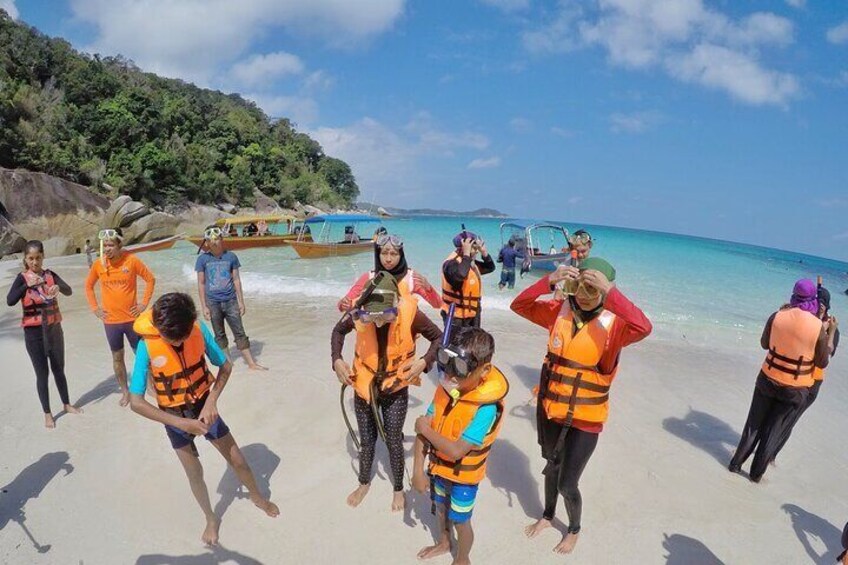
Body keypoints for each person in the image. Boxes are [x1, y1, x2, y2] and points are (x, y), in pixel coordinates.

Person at [511, 258, 651, 554]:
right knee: (551, 469)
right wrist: (550, 280)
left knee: (567, 483)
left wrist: (611, 292)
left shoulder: (617, 327)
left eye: (593, 288)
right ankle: (548, 516)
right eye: (581, 286)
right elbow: (519, 305)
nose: (585, 295)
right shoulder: (556, 312)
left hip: (586, 419)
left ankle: (573, 529)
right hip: (551, 410)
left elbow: (645, 326)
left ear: (604, 291)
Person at [129, 293, 279, 545]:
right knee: (195, 473)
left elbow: (226, 366)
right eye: (168, 337)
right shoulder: (146, 346)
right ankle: (210, 517)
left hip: (203, 405)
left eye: (180, 338)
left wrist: (211, 401)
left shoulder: (198, 330)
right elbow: (136, 402)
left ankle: (257, 497)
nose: (174, 342)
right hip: (174, 416)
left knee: (238, 460)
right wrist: (180, 423)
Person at [331, 272, 442, 511]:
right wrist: (337, 360)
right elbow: (338, 332)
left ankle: (398, 489)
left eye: (386, 315)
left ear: (395, 305)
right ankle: (363, 483)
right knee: (367, 440)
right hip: (365, 384)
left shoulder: (412, 315)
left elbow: (438, 337)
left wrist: (424, 361)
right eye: (374, 316)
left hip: (395, 387)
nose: (379, 321)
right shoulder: (359, 312)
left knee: (393, 439)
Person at [412, 327, 508, 565]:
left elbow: (455, 450)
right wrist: (417, 471)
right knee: (441, 510)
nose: (451, 376)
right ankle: (444, 543)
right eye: (446, 362)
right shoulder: (445, 391)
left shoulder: (485, 408)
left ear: (484, 370)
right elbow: (423, 429)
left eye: (462, 369)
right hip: (438, 470)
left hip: (463, 477)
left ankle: (463, 558)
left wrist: (425, 429)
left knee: (460, 520)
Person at [729, 279, 832, 482]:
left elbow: (764, 343)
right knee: (773, 431)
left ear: (793, 295)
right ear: (813, 299)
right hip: (796, 388)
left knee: (754, 424)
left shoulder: (777, 316)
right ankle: (756, 475)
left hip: (768, 379)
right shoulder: (817, 327)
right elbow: (822, 361)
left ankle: (735, 464)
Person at [6, 240, 82, 428]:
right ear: (25, 259)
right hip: (34, 334)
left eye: (38, 258)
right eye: (30, 259)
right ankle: (47, 413)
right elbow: (10, 300)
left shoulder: (50, 275)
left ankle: (66, 404)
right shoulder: (22, 278)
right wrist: (27, 286)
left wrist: (58, 288)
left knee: (59, 370)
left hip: (54, 330)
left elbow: (69, 291)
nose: (34, 262)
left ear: (43, 257)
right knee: (42, 374)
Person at [85, 228, 156, 407]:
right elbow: (88, 286)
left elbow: (150, 279)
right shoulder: (99, 265)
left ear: (119, 245)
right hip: (111, 322)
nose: (107, 249)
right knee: (117, 357)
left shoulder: (131, 261)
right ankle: (125, 392)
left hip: (132, 319)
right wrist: (95, 308)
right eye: (105, 245)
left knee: (141, 354)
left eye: (110, 245)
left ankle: (150, 386)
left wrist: (143, 304)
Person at [772, 285, 839, 461]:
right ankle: (763, 453)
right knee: (773, 418)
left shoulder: (830, 327)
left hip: (812, 382)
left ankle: (771, 456)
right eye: (816, 303)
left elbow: (828, 354)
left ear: (827, 307)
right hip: (794, 378)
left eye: (822, 305)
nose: (819, 307)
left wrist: (829, 331)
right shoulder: (807, 321)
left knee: (789, 421)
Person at [195, 226, 266, 371]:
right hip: (212, 302)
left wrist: (241, 301)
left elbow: (236, 280)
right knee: (219, 334)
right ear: (207, 243)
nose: (215, 242)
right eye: (211, 240)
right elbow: (201, 283)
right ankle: (228, 363)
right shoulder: (202, 259)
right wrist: (204, 306)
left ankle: (251, 363)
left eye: (217, 239)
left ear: (222, 239)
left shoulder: (231, 257)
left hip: (231, 300)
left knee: (239, 331)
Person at [337, 233, 442, 312]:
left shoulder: (411, 278)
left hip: (401, 339)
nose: (388, 259)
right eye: (384, 253)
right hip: (375, 333)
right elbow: (343, 305)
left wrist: (428, 288)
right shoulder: (369, 277)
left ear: (401, 255)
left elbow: (437, 304)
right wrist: (344, 304)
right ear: (378, 255)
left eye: (394, 254)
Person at [441, 229, 495, 332]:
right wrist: (466, 254)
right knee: (455, 346)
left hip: (472, 314)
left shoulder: (470, 263)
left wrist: (484, 253)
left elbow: (490, 268)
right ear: (464, 247)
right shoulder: (450, 264)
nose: (476, 250)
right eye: (474, 247)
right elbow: (460, 275)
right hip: (456, 316)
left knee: (472, 345)